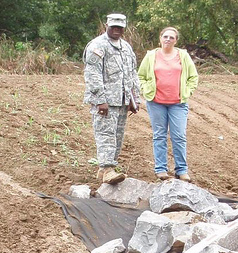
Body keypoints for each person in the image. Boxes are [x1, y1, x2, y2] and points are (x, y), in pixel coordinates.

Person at [83, 13, 140, 184]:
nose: (116, 30)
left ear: (124, 28)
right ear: (106, 25)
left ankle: (105, 171)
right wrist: (100, 99)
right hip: (106, 102)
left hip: (122, 100)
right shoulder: (97, 46)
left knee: (117, 136)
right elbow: (92, 74)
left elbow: (132, 73)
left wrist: (134, 98)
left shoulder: (126, 47)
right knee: (106, 134)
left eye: (120, 27)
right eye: (113, 26)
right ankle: (107, 168)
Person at [138, 26, 198, 182]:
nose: (168, 40)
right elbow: (141, 76)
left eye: (171, 37)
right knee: (159, 136)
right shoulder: (151, 56)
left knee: (179, 136)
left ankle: (181, 170)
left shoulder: (183, 56)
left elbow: (193, 77)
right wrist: (146, 90)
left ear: (176, 40)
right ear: (160, 38)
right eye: (165, 36)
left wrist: (187, 92)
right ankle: (161, 169)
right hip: (156, 102)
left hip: (177, 103)